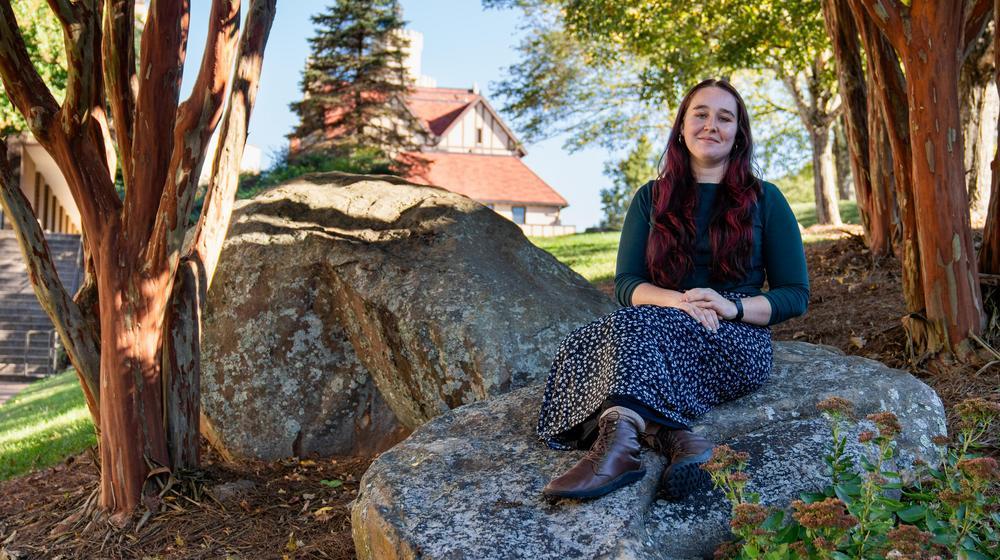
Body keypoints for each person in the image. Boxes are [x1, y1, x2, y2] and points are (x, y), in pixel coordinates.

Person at [537, 78, 809, 501]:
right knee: (587, 340)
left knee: (630, 337)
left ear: (739, 134)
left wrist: (728, 306)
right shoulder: (651, 198)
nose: (711, 125)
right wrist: (680, 301)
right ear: (681, 126)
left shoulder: (766, 200)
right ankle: (679, 441)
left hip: (733, 338)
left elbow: (795, 294)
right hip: (658, 324)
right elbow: (627, 284)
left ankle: (617, 451)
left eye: (725, 117)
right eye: (700, 114)